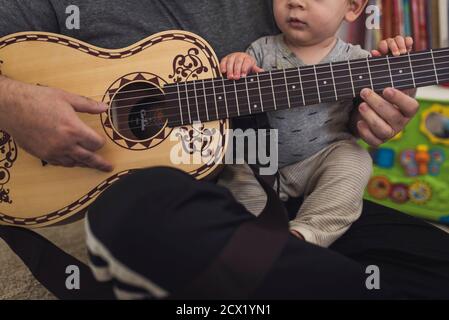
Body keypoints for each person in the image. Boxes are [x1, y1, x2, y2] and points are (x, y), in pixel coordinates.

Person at [1, 0, 449, 299]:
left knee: (436, 264)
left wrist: (365, 114)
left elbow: (311, 71)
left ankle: (259, 271)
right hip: (175, 195)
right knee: (135, 210)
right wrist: (12, 103)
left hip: (280, 181)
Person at [218, 0, 414, 247]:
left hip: (320, 159)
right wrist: (237, 63)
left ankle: (304, 236)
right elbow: (235, 90)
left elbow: (385, 102)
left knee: (355, 159)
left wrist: (394, 71)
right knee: (236, 160)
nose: (296, 3)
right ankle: (253, 241)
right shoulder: (260, 49)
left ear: (352, 8)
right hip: (260, 162)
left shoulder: (356, 59)